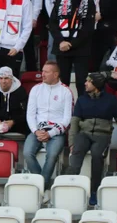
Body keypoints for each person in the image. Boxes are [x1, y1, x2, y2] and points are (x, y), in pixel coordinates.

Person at [68, 71, 117, 205]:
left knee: (97, 155)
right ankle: (71, 186)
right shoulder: (82, 99)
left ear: (96, 84)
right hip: (84, 134)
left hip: (102, 135)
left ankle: (94, 191)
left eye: (88, 81)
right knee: (76, 151)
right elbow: (74, 122)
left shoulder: (111, 100)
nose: (85, 83)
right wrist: (71, 142)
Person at [24, 60, 73, 189]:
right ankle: (42, 184)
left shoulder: (66, 91)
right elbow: (30, 115)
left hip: (56, 132)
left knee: (51, 155)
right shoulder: (36, 89)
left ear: (55, 74)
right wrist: (36, 131)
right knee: (27, 153)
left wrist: (51, 133)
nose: (42, 74)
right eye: (43, 71)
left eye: (46, 72)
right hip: (37, 130)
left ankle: (41, 187)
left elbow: (67, 118)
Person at [48, 0, 93, 96]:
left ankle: (81, 110)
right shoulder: (59, 1)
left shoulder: (88, 3)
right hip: (62, 47)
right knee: (63, 82)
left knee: (81, 82)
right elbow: (52, 23)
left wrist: (72, 44)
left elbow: (88, 28)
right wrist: (61, 41)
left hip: (80, 48)